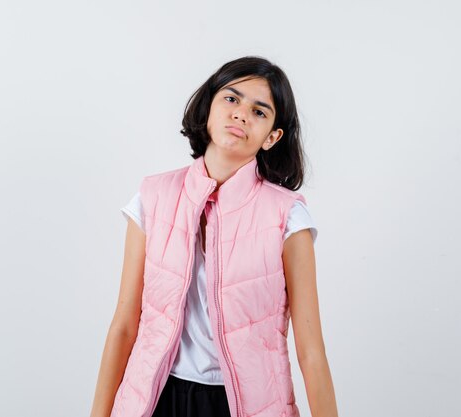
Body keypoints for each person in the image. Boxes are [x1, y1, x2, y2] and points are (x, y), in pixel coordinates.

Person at [90, 56, 338, 417]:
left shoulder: (287, 216)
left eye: (259, 111)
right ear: (208, 107)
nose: (240, 114)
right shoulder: (152, 197)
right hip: (154, 398)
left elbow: (311, 350)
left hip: (245, 406)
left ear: (272, 137)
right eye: (232, 99)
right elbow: (124, 326)